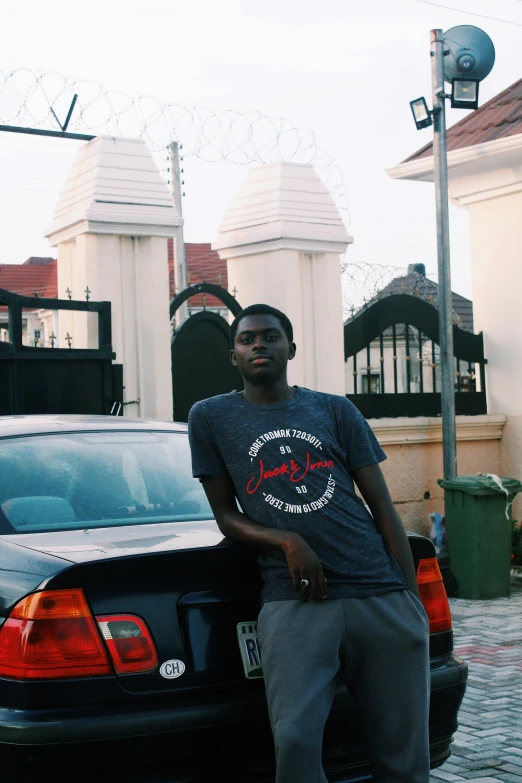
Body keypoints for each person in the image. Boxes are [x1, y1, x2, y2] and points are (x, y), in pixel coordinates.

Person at [188, 303, 430, 783]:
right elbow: (225, 516)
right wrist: (285, 539)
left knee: (403, 748)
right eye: (248, 339)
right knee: (296, 742)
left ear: (290, 348)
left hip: (378, 593)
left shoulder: (334, 409)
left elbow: (382, 507)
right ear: (233, 355)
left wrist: (411, 602)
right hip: (296, 599)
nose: (260, 344)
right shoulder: (211, 417)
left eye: (271, 336)